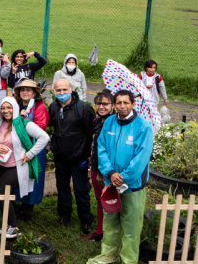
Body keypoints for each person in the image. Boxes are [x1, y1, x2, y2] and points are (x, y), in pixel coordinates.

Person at [87, 90, 153, 264]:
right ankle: (109, 255)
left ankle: (128, 259)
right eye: (119, 103)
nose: (122, 106)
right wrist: (110, 172)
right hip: (111, 183)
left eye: (126, 102)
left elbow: (141, 157)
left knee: (131, 226)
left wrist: (124, 177)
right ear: (114, 105)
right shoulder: (109, 122)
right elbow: (101, 148)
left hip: (132, 185)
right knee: (111, 222)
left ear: (132, 104)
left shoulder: (143, 126)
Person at [0, 97, 50, 238]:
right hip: (1, 165)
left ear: (15, 108)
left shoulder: (23, 123)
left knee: (1, 193)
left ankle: (14, 227)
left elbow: (44, 137)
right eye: (3, 108)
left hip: (17, 166)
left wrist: (30, 154)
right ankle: (8, 224)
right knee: (1, 195)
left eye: (9, 107)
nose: (6, 111)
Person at [49, 78, 96, 233]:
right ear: (54, 91)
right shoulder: (53, 107)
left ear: (71, 90)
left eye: (64, 90)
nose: (61, 93)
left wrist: (89, 153)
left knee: (81, 189)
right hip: (60, 156)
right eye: (58, 90)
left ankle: (86, 219)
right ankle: (64, 215)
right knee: (62, 188)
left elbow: (91, 132)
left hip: (79, 157)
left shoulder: (83, 108)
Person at [12, 79, 51, 221]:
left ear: (34, 93)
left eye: (29, 90)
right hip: (18, 147)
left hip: (34, 147)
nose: (25, 92)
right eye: (22, 90)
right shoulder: (15, 105)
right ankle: (16, 204)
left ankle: (27, 209)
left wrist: (24, 119)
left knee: (32, 176)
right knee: (18, 175)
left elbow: (40, 128)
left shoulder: (40, 107)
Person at [83, 90, 115, 241]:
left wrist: (104, 172)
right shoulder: (97, 122)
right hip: (95, 166)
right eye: (98, 103)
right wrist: (90, 154)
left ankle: (109, 232)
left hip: (106, 170)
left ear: (112, 106)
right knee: (99, 199)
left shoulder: (113, 124)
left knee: (109, 200)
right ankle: (100, 231)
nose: (101, 107)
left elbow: (110, 150)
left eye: (105, 104)